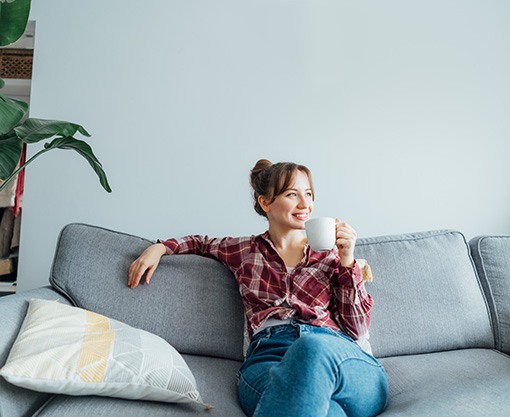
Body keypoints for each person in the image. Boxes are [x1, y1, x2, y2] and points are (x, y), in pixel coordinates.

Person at [127, 159, 389, 417]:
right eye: (292, 194)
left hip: (335, 354)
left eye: (309, 194)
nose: (305, 203)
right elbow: (200, 243)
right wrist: (160, 248)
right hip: (269, 358)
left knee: (311, 349)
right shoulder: (244, 251)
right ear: (265, 203)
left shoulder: (332, 256)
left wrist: (347, 261)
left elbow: (357, 328)